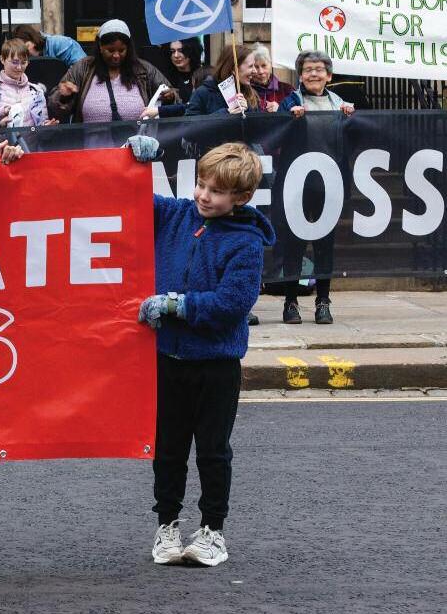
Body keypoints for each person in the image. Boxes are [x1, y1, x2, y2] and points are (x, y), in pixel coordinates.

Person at [137, 140, 273, 569]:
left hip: (216, 365)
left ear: (241, 197)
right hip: (167, 360)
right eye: (200, 184)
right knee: (168, 450)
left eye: (216, 191)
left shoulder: (246, 242)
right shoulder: (177, 214)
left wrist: (176, 305)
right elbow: (126, 198)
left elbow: (232, 303)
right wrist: (130, 160)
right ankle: (167, 526)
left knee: (213, 452)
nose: (203, 195)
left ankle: (212, 531)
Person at [277, 50, 355, 325]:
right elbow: (276, 130)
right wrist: (288, 117)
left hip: (329, 185)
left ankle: (323, 301)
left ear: (328, 76)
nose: (313, 74)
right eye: (308, 70)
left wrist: (351, 118)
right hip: (297, 184)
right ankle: (290, 302)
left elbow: (353, 139)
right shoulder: (291, 101)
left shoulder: (340, 103)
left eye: (319, 69)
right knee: (293, 244)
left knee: (325, 244)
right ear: (300, 76)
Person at [49, 20, 170, 123]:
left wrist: (169, 97)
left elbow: (172, 97)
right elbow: (55, 108)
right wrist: (63, 96)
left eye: (121, 50)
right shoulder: (83, 68)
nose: (116, 56)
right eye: (110, 50)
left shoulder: (143, 69)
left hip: (135, 143)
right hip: (91, 143)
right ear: (100, 46)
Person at [183, 45, 279, 116]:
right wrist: (226, 113)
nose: (255, 71)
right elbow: (190, 127)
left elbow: (258, 128)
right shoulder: (202, 93)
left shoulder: (250, 93)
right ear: (233, 69)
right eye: (251, 66)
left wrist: (248, 110)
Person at [0, 38, 55, 127]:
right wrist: (1, 120)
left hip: (31, 136)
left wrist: (46, 127)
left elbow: (41, 125)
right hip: (3, 136)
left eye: (23, 63)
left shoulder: (36, 90)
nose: (19, 67)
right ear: (2, 59)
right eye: (15, 62)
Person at [161, 39, 212, 103]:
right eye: (173, 51)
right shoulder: (166, 77)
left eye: (181, 51)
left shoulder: (202, 74)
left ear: (191, 51)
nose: (176, 55)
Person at [12, 23, 87, 67]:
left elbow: (83, 68)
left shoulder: (62, 44)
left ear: (33, 40)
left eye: (26, 48)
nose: (24, 53)